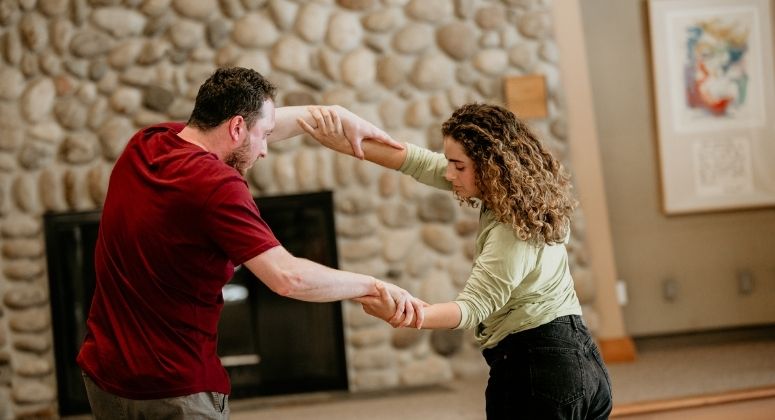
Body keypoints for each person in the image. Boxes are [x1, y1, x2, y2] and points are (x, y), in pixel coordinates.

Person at [76, 67, 424, 419]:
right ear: (237, 127)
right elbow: (288, 277)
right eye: (264, 136)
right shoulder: (218, 187)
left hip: (106, 377)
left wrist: (334, 114)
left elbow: (256, 123)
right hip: (173, 392)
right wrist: (370, 285)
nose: (264, 151)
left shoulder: (148, 142)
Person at [300, 103, 613, 419]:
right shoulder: (528, 200)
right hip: (582, 363)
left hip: (537, 372)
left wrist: (404, 315)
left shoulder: (511, 232)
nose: (449, 174)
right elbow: (417, 162)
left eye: (458, 166)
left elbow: (471, 308)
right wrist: (352, 143)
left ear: (492, 165)